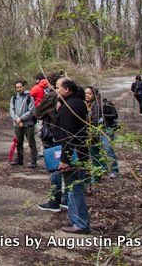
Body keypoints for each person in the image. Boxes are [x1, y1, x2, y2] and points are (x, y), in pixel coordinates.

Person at [55, 77, 91, 234]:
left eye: (58, 88)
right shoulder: (79, 104)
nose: (56, 91)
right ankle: (74, 217)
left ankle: (80, 223)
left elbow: (67, 135)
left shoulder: (69, 107)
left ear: (67, 89)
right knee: (72, 188)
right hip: (80, 152)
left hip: (73, 154)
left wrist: (64, 159)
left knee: (74, 188)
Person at [36, 71, 66, 212]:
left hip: (54, 135)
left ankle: (55, 201)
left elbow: (38, 112)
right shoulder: (69, 96)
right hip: (65, 135)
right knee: (65, 167)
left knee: (55, 169)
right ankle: (65, 198)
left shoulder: (52, 96)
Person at [84, 86, 119, 179]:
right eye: (86, 93)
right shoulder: (87, 105)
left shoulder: (105, 103)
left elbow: (115, 115)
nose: (87, 95)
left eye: (89, 93)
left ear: (94, 94)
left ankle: (114, 170)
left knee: (108, 149)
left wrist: (103, 116)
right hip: (93, 130)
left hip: (105, 129)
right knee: (94, 150)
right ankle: (102, 168)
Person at [9, 80, 38, 168]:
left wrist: (20, 118)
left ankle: (33, 161)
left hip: (28, 124)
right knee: (19, 142)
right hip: (17, 124)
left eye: (20, 87)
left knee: (31, 142)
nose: (19, 89)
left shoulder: (29, 97)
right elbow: (11, 110)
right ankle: (20, 160)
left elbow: (31, 111)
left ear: (23, 87)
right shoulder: (13, 98)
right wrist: (16, 118)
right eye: (17, 87)